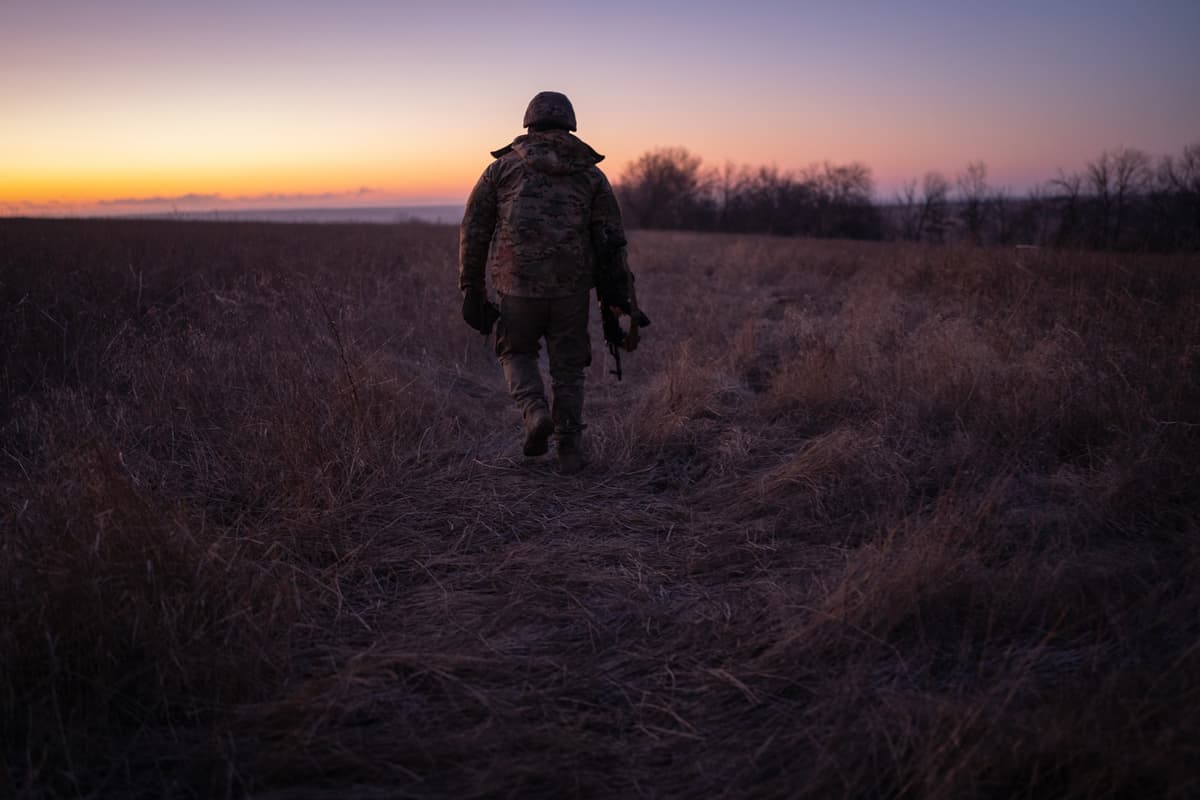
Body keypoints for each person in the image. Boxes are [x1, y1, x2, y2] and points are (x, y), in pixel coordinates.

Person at [459, 90, 636, 475]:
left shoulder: (501, 170)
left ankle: (536, 413)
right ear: (570, 124)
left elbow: (474, 231)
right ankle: (570, 449)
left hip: (516, 288)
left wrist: (471, 287)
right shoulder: (591, 174)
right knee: (568, 368)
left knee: (517, 353)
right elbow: (611, 241)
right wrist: (619, 296)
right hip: (571, 291)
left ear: (529, 122)